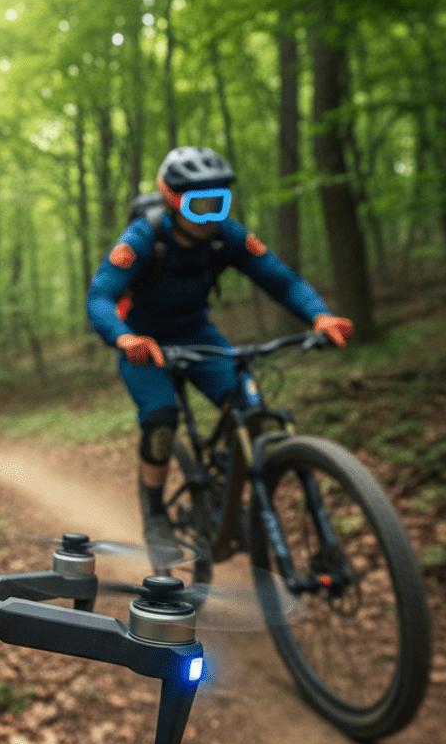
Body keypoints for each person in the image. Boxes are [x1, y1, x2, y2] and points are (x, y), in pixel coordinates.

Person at [86, 146, 353, 562]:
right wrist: (123, 339)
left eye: (219, 202)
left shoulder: (226, 236)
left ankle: (227, 495)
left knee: (250, 409)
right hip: (145, 345)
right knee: (161, 419)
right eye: (199, 203)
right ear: (173, 202)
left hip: (197, 336)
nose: (211, 214)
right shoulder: (143, 237)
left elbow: (281, 281)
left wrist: (320, 316)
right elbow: (101, 296)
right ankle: (155, 514)